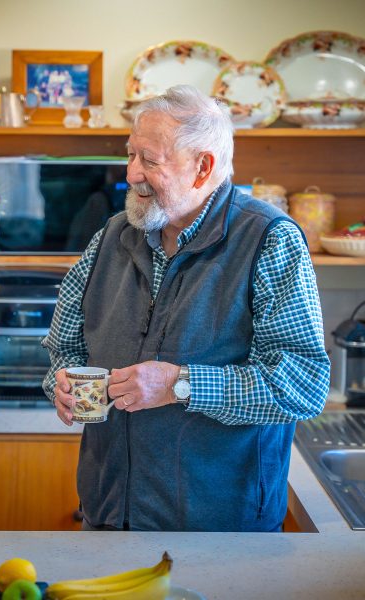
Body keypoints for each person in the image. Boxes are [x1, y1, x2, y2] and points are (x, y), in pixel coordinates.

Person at [42, 85, 330, 532]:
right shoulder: (111, 237)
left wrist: (181, 384)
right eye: (131, 154)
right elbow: (64, 347)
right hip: (108, 519)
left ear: (203, 167)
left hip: (222, 532)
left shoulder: (269, 240)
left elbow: (303, 383)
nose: (131, 173)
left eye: (149, 160)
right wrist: (58, 383)